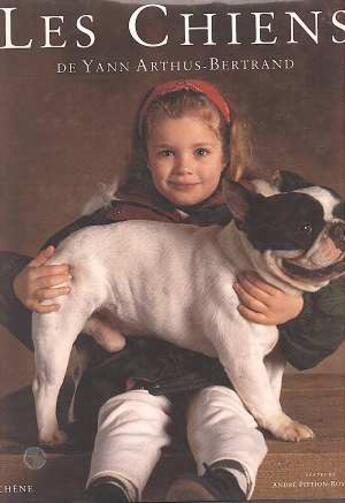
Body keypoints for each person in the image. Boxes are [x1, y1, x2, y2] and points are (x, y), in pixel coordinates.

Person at [2, 80, 344, 503]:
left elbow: (322, 320)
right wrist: (19, 281)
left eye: (200, 152)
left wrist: (296, 310)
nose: (185, 167)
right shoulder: (109, 221)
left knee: (227, 416)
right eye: (167, 152)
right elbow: (45, 270)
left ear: (226, 155)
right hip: (135, 373)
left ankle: (220, 485)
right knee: (129, 417)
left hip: (214, 382)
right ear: (146, 158)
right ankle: (108, 487)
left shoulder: (265, 213)